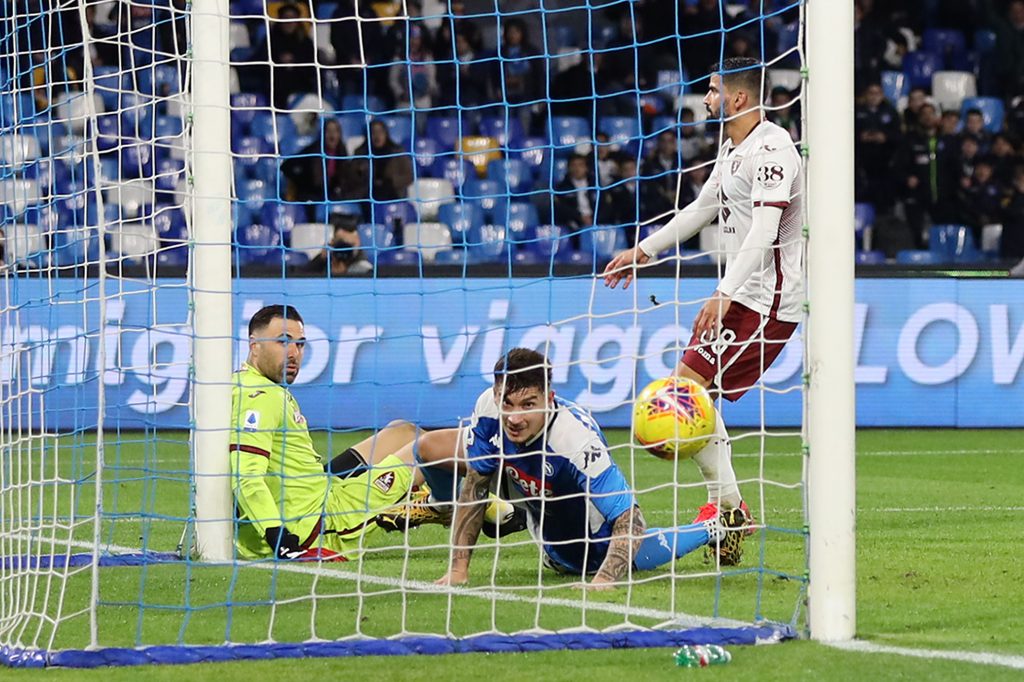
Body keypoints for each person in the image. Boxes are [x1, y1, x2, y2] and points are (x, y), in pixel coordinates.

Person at [603, 56, 803, 535]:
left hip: (768, 299)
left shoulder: (773, 150)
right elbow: (702, 208)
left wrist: (722, 292)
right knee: (691, 390)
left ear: (737, 98)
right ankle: (731, 509)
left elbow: (766, 229)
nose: (706, 99)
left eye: (713, 91)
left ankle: (729, 507)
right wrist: (644, 251)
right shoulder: (732, 148)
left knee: (687, 388)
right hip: (742, 294)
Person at [382, 348, 745, 588]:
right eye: (507, 403)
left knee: (582, 560)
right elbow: (477, 483)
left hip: (578, 520)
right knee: (429, 448)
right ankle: (448, 507)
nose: (515, 417)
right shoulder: (489, 408)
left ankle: (717, 525)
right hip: (524, 484)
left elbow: (629, 518)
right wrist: (458, 570)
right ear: (495, 396)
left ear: (549, 398)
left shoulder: (573, 440)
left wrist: (604, 580)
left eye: (528, 404)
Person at [231, 304, 422, 561]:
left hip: (318, 488)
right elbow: (246, 476)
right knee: (433, 451)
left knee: (403, 431)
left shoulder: (242, 383)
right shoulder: (262, 397)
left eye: (299, 345)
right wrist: (279, 537)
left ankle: (427, 498)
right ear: (254, 345)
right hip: (318, 523)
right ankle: (462, 505)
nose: (293, 353)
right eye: (283, 342)